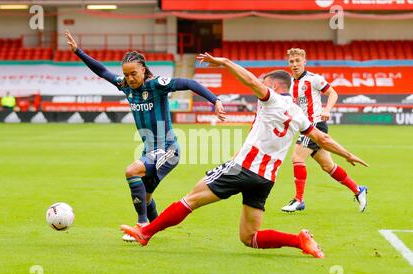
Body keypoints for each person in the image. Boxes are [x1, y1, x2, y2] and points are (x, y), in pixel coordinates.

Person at [121, 53, 369, 258]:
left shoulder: (272, 100)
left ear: (274, 86)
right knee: (250, 238)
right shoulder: (299, 114)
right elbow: (323, 139)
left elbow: (250, 80)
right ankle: (299, 241)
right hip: (265, 179)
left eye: (266, 81)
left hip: (242, 168)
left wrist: (226, 63)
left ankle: (145, 232)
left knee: (191, 200)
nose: (261, 84)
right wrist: (348, 154)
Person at [64, 31, 226, 241]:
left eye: (134, 73)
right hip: (149, 149)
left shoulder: (157, 84)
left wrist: (216, 101)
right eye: (127, 74)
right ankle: (154, 229)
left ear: (143, 69)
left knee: (131, 171)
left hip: (167, 148)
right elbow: (102, 71)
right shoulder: (124, 85)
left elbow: (189, 83)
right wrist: (78, 52)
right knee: (145, 196)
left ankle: (141, 225)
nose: (130, 78)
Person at [281, 48, 368, 213]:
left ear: (304, 62)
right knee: (328, 166)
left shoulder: (314, 79)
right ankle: (358, 190)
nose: (294, 64)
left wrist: (327, 109)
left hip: (315, 125)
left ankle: (299, 200)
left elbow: (333, 93)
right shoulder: (290, 83)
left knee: (297, 157)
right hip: (304, 127)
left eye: (298, 61)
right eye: (291, 62)